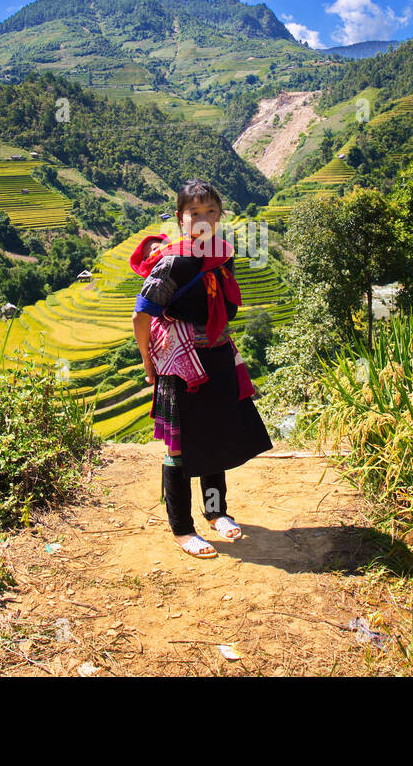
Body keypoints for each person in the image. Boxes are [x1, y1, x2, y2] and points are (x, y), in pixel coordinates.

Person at [130, 180, 275, 558]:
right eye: (195, 213)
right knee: (179, 449)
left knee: (216, 439)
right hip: (181, 365)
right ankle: (182, 528)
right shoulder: (174, 262)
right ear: (180, 218)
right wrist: (149, 364)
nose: (204, 219)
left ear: (220, 216)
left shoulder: (222, 256)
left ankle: (216, 512)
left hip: (215, 356)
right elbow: (141, 314)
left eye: (211, 211)